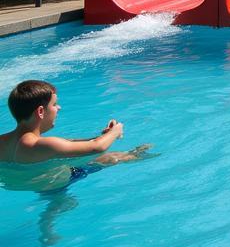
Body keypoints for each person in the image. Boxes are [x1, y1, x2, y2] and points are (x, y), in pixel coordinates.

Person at [1, 79, 150, 193]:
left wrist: (100, 136)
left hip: (26, 183)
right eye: (54, 104)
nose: (58, 108)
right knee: (111, 157)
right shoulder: (45, 145)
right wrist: (116, 131)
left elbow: (67, 143)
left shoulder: (3, 141)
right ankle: (145, 155)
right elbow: (98, 147)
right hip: (59, 180)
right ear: (40, 112)